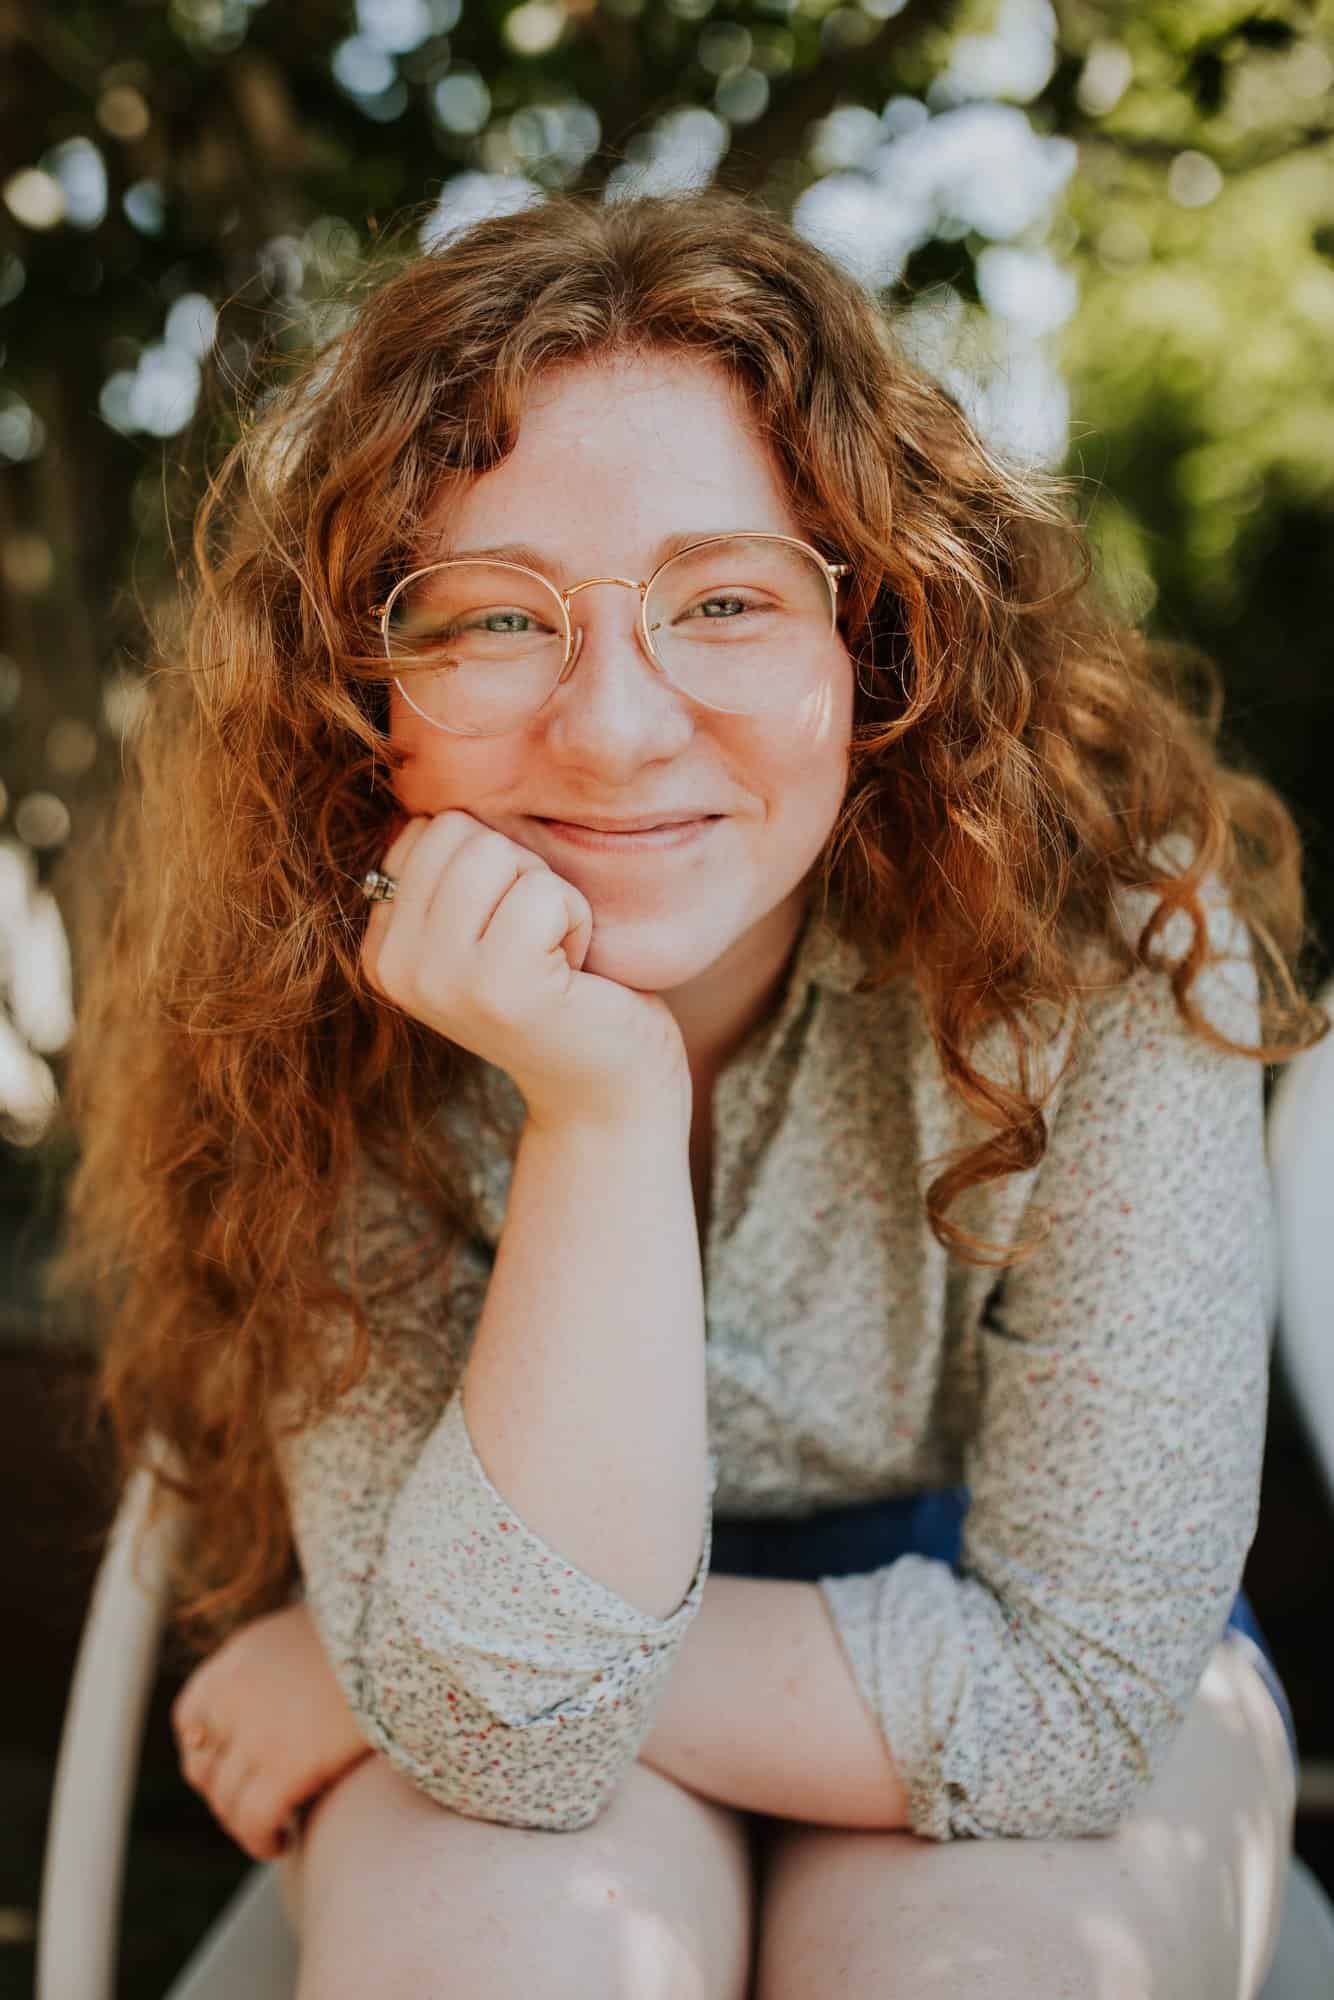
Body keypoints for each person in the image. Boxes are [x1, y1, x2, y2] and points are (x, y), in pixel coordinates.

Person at [49, 188, 1329, 1999]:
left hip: (1019, 1663)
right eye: (491, 621)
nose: (613, 729)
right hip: (510, 1651)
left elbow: (1069, 1696)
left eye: (724, 600)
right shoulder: (309, 1003)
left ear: (878, 639)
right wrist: (600, 1111)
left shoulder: (1108, 952)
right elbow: (504, 1743)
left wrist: (373, 1661)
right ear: (358, 695)